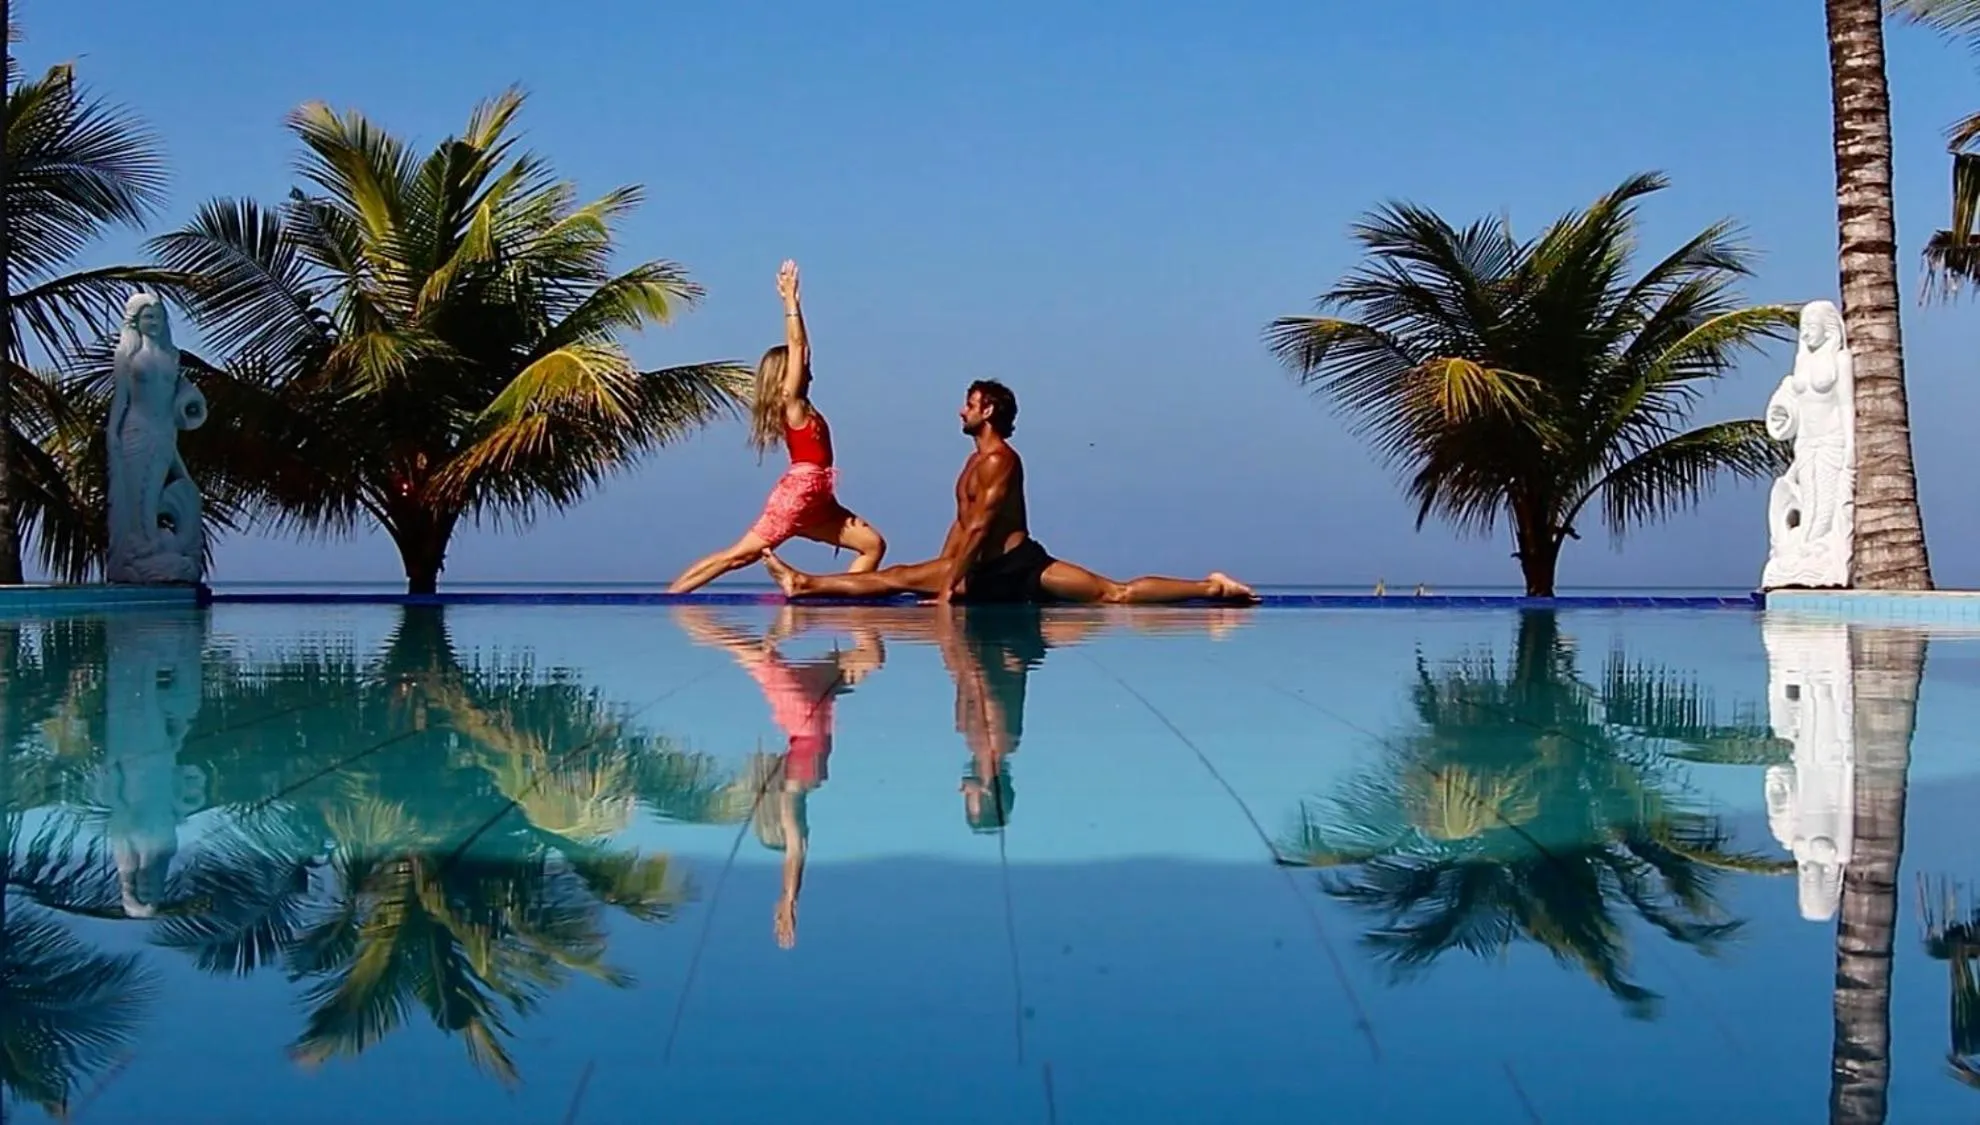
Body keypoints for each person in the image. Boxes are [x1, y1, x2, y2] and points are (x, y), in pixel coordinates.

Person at [761, 380, 1257, 605]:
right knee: (899, 577)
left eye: (970, 405)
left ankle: (1211, 588)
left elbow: (981, 526)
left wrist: (951, 583)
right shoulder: (973, 461)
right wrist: (946, 567)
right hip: (980, 565)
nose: (961, 411)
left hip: (1018, 566)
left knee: (1113, 594)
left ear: (989, 413)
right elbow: (962, 523)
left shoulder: (1001, 461)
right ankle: (805, 584)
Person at [669, 261, 887, 594]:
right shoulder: (793, 405)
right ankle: (673, 596)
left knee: (872, 544)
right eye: (802, 366)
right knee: (738, 557)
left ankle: (833, 597)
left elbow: (804, 350)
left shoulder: (803, 406)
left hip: (819, 500)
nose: (809, 367)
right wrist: (791, 302)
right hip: (798, 496)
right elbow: (799, 347)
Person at [676, 606, 884, 948]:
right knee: (867, 657)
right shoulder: (797, 779)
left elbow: (796, 848)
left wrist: (789, 896)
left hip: (803, 706)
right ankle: (695, 620)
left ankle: (692, 618)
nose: (790, 830)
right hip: (811, 702)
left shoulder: (795, 790)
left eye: (782, 831)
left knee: (750, 651)